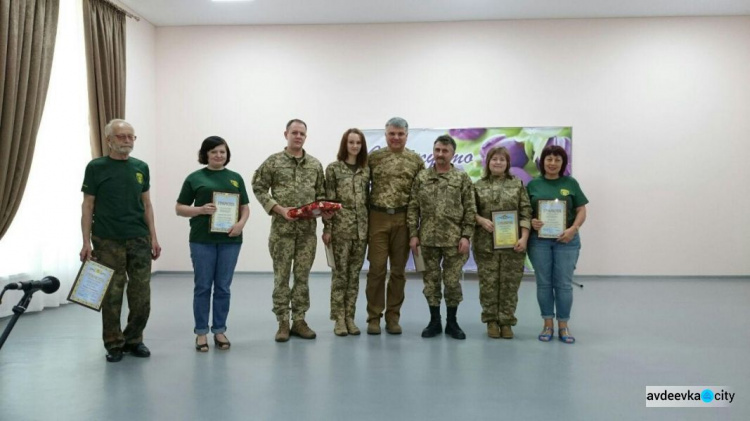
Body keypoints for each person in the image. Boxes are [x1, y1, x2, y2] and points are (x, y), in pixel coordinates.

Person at [79, 119, 161, 363]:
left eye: (130, 136)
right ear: (109, 140)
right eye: (121, 136)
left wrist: (154, 237)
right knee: (112, 295)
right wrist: (86, 242)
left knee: (141, 295)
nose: (127, 140)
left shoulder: (141, 167)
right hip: (107, 239)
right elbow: (88, 205)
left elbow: (146, 204)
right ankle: (114, 343)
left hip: (139, 238)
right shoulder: (96, 167)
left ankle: (134, 339)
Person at [252, 119, 329, 342]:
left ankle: (300, 320)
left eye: (302, 133)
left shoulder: (314, 165)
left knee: (303, 278)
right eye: (294, 132)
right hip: (282, 232)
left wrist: (323, 212)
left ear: (306, 136)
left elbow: (321, 196)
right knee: (282, 278)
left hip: (306, 233)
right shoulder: (274, 162)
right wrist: (277, 208)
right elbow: (257, 186)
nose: (298, 136)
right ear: (286, 134)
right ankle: (283, 322)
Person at [176, 136, 250, 352]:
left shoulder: (235, 178)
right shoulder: (195, 178)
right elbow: (179, 208)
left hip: (230, 240)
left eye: (222, 152)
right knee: (202, 287)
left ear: (227, 155)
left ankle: (219, 330)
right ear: (205, 154)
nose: (219, 155)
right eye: (214, 152)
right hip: (202, 240)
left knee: (223, 288)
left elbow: (245, 207)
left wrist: (240, 224)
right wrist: (200, 210)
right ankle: (201, 333)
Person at [407, 135, 475, 339]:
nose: (440, 154)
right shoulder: (422, 178)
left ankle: (452, 323)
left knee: (452, 282)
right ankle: (434, 322)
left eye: (445, 151)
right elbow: (413, 207)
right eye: (437, 150)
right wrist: (413, 234)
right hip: (427, 239)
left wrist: (466, 236)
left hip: (454, 241)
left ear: (453, 153)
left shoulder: (461, 178)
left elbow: (470, 208)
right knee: (431, 282)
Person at [366, 117, 425, 335]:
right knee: (377, 270)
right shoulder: (374, 158)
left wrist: (415, 229)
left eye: (400, 134)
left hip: (403, 220)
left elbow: (419, 198)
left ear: (407, 136)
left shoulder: (416, 161)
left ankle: (393, 317)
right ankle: (373, 317)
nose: (396, 138)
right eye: (392, 133)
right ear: (386, 134)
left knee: (398, 272)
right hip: (378, 218)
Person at [527, 145, 588, 344]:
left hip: (567, 241)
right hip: (539, 242)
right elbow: (525, 213)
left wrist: (574, 229)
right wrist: (531, 221)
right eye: (549, 159)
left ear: (563, 163)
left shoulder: (570, 183)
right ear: (542, 161)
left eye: (557, 160)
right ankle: (547, 324)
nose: (552, 163)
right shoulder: (533, 185)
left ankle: (563, 325)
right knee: (544, 284)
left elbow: (581, 210)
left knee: (563, 285)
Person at [473, 147, 532, 339]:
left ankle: (506, 322)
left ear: (508, 164)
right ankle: (491, 321)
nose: (498, 163)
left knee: (510, 284)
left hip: (512, 244)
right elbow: (469, 211)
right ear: (488, 162)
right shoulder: (478, 186)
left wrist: (524, 238)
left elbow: (525, 212)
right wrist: (481, 220)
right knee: (488, 283)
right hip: (485, 244)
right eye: (494, 159)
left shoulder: (517, 185)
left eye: (502, 160)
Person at [322, 129, 370, 336]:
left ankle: (350, 316)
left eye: (358, 143)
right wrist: (327, 228)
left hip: (361, 231)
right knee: (340, 276)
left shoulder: (365, 169)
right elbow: (329, 202)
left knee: (354, 277)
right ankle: (338, 319)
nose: (355, 146)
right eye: (351, 142)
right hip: (341, 229)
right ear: (345, 144)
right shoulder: (333, 169)